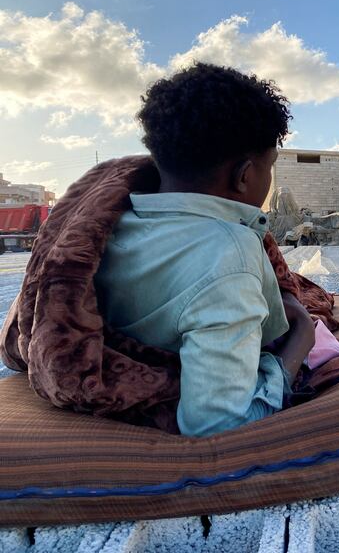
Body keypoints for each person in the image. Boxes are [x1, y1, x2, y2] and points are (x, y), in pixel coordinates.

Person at [93, 63, 315, 437]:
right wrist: (299, 341)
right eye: (270, 166)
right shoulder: (231, 256)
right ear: (244, 175)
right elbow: (219, 424)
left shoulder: (112, 223)